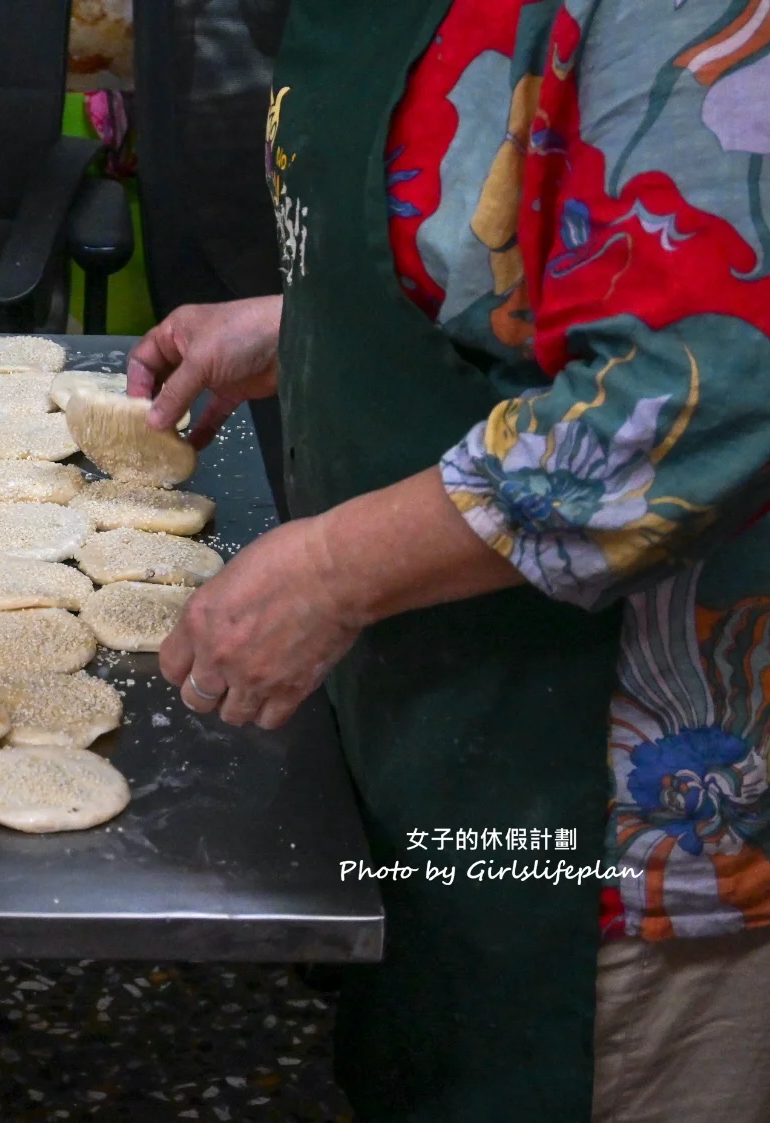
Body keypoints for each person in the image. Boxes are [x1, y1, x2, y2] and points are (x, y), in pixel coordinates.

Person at [128, 1, 770, 1120]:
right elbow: (524, 234)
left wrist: (332, 569)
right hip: (435, 728)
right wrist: (316, 321)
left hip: (615, 802)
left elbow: (707, 382)